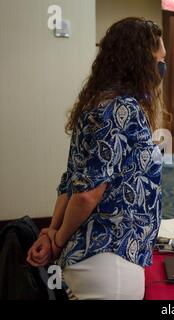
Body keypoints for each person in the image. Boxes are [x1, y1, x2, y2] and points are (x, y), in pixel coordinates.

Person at [26, 17, 166, 299]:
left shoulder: (96, 106)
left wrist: (52, 233)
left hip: (95, 259)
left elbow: (72, 181)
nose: (162, 67)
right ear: (139, 61)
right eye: (159, 59)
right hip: (110, 263)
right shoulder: (121, 110)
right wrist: (58, 238)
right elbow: (87, 194)